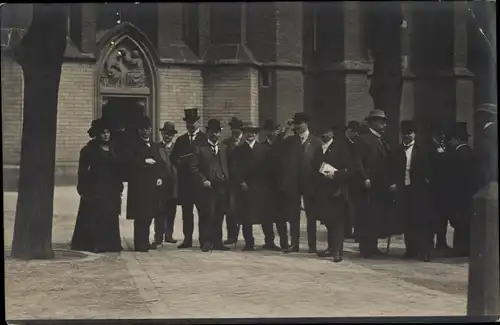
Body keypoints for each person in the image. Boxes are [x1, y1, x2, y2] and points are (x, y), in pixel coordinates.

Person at [71, 118, 123, 253]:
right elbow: (82, 171)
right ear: (96, 134)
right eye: (103, 133)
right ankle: (95, 243)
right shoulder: (88, 150)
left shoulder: (114, 148)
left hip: (110, 188)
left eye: (108, 132)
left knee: (110, 214)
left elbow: (118, 169)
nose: (106, 135)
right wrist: (82, 188)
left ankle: (111, 244)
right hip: (95, 188)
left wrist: (119, 185)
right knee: (95, 216)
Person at [232, 122, 282, 251]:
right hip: (246, 187)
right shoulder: (238, 150)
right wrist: (241, 182)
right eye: (248, 131)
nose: (251, 134)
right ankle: (249, 242)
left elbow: (271, 169)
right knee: (246, 217)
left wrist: (269, 185)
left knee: (266, 215)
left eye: (254, 132)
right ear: (244, 133)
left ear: (257, 133)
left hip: (262, 187)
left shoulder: (264, 149)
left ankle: (269, 242)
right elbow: (235, 169)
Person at [389, 120, 434, 262]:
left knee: (421, 221)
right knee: (406, 219)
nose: (407, 136)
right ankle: (410, 249)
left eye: (410, 133)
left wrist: (427, 181)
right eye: (405, 133)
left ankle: (424, 250)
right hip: (403, 190)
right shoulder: (396, 151)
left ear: (415, 134)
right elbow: (391, 170)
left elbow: (431, 169)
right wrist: (393, 183)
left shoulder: (423, 150)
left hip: (419, 190)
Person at [280, 112, 322, 254]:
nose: (298, 126)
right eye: (296, 124)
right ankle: (294, 244)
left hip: (310, 182)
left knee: (311, 215)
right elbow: (276, 147)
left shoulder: (316, 142)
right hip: (293, 182)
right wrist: (285, 129)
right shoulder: (290, 141)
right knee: (293, 215)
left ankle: (312, 245)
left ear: (306, 124)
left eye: (300, 123)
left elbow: (320, 162)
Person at [353, 109, 391, 258]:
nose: (384, 125)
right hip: (367, 185)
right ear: (373, 122)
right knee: (366, 216)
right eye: (381, 122)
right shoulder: (363, 139)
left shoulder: (381, 140)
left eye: (384, 122)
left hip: (379, 185)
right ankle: (366, 248)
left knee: (375, 216)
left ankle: (373, 246)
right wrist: (364, 178)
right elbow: (357, 162)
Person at [315, 125, 354, 262]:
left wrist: (336, 174)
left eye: (326, 133)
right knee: (328, 221)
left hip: (337, 190)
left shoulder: (341, 148)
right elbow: (314, 165)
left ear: (332, 133)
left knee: (338, 221)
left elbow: (350, 169)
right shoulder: (319, 149)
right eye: (322, 133)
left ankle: (338, 251)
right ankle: (331, 248)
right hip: (323, 190)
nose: (324, 135)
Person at [170, 108, 208, 249]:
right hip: (185, 182)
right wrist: (179, 162)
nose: (190, 126)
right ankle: (187, 239)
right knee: (187, 213)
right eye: (188, 123)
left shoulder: (204, 139)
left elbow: (209, 158)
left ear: (198, 122)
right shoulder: (181, 140)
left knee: (203, 212)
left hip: (199, 182)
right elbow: (173, 157)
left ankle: (204, 240)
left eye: (193, 123)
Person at [191, 119, 231, 252]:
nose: (215, 135)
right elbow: (194, 168)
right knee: (206, 214)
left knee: (220, 215)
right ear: (207, 133)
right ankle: (206, 241)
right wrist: (203, 180)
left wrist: (227, 178)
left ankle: (218, 241)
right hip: (207, 187)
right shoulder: (200, 149)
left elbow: (227, 166)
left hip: (221, 187)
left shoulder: (224, 149)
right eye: (212, 132)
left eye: (217, 132)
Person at [126, 116, 164, 252]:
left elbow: (159, 163)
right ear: (138, 130)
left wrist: (159, 176)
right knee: (140, 216)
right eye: (143, 129)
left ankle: (145, 241)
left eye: (148, 129)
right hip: (139, 186)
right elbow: (130, 162)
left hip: (152, 186)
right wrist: (144, 162)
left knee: (149, 215)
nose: (146, 132)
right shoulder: (133, 145)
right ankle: (139, 243)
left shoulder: (154, 145)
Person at [445, 122, 475, 257]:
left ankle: (461, 249)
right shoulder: (468, 152)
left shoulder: (458, 154)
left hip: (460, 195)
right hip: (467, 195)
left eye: (450, 139)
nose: (449, 143)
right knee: (463, 223)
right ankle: (463, 248)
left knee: (460, 223)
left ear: (457, 139)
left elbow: (455, 179)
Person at [260, 119, 290, 250]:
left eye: (275, 130)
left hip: (280, 186)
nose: (272, 133)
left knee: (281, 217)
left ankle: (284, 242)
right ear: (266, 132)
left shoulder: (283, 146)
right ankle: (269, 242)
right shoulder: (261, 147)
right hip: (266, 186)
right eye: (270, 130)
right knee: (266, 216)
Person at [151, 121, 179, 248]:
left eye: (170, 134)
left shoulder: (177, 147)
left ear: (173, 136)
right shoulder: (156, 147)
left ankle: (169, 234)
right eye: (165, 134)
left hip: (173, 184)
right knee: (159, 211)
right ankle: (158, 236)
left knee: (171, 210)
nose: (167, 136)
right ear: (162, 134)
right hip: (160, 184)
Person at [428, 120, 452, 252]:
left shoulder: (445, 146)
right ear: (434, 133)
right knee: (433, 217)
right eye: (440, 133)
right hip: (432, 188)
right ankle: (430, 242)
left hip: (443, 189)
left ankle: (441, 242)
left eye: (443, 134)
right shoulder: (429, 147)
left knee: (443, 217)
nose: (442, 136)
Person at [222, 117, 245, 245]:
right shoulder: (225, 144)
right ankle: (232, 235)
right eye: (233, 130)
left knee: (243, 208)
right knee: (230, 209)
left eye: (238, 130)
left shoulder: (246, 143)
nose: (236, 133)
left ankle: (246, 236)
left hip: (243, 182)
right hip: (230, 181)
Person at [474, 103, 498, 189]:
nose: (476, 120)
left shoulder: (490, 132)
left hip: (488, 183)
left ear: (487, 117)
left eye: (479, 115)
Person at [343, 120, 361, 240]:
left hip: (356, 179)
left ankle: (357, 231)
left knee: (356, 206)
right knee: (346, 206)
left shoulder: (358, 143)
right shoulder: (343, 144)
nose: (354, 134)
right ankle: (347, 230)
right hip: (346, 179)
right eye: (351, 131)